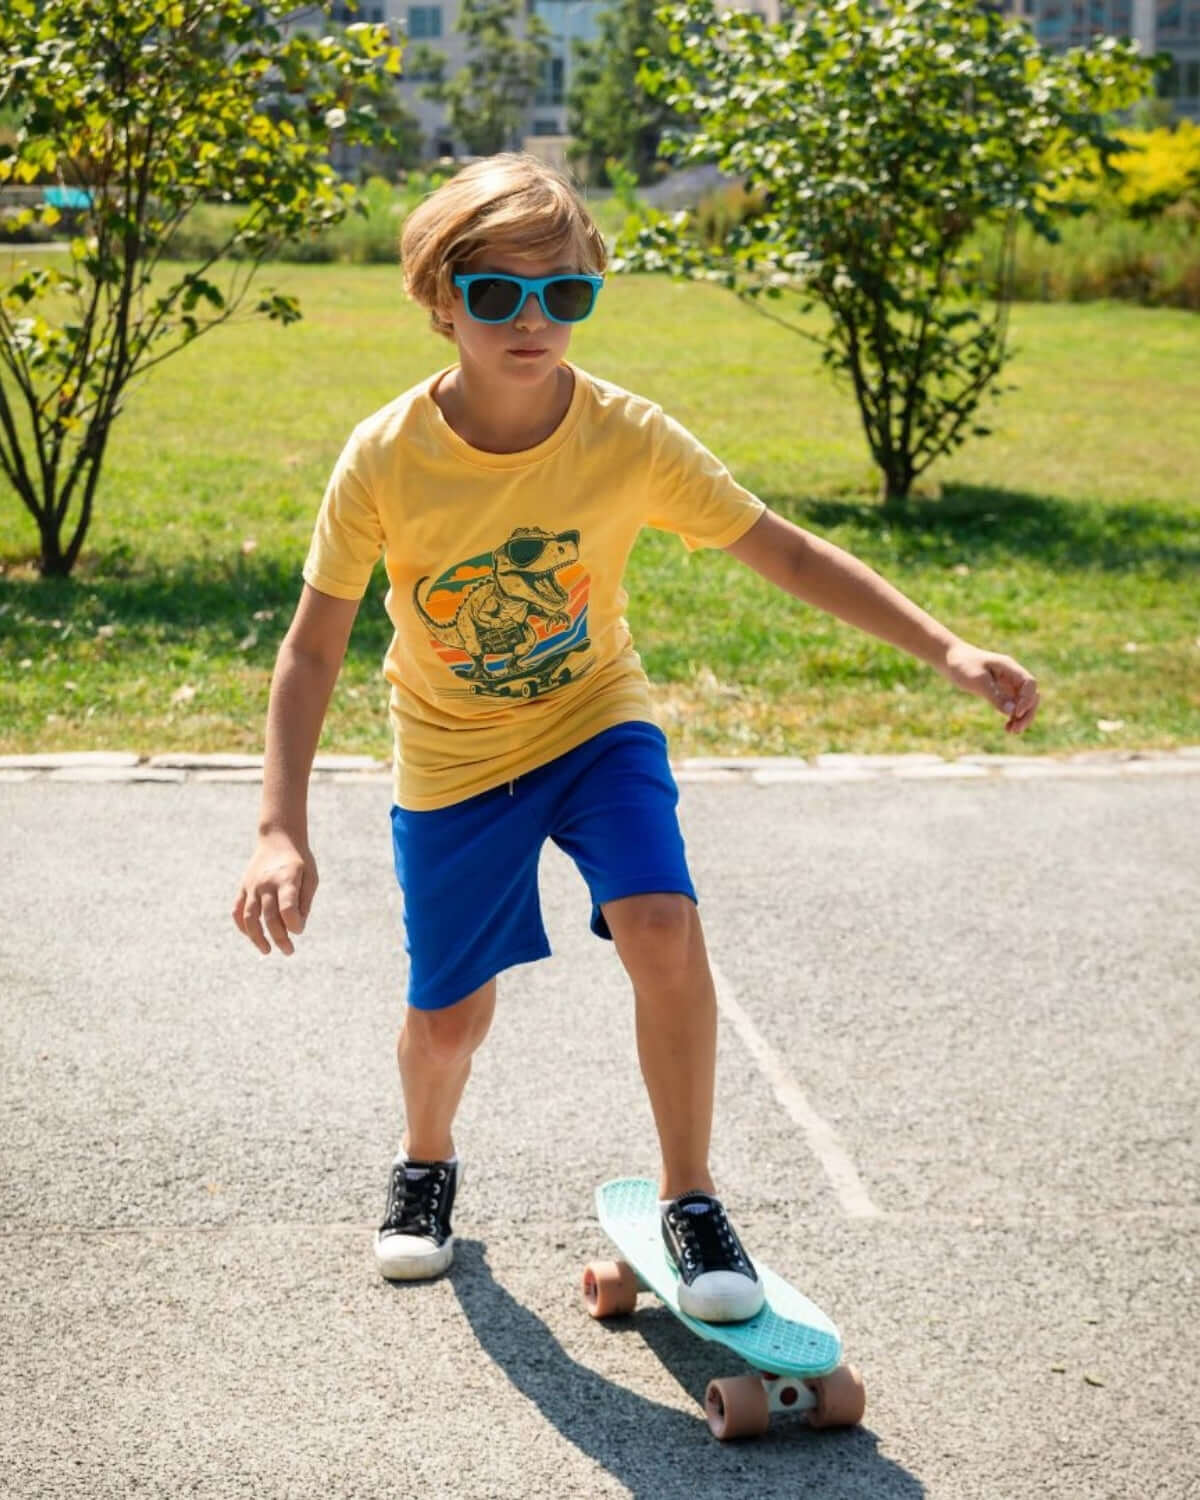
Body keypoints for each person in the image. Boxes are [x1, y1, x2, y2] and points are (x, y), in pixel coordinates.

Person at [232, 153, 1039, 1324]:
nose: (534, 321)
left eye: (565, 295)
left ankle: (691, 1195)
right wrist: (278, 829)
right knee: (450, 1014)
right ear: (440, 300)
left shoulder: (629, 435)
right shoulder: (387, 456)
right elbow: (312, 651)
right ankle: (425, 1159)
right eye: (500, 295)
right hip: (454, 756)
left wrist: (946, 648)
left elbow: (787, 551)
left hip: (598, 721)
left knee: (662, 926)